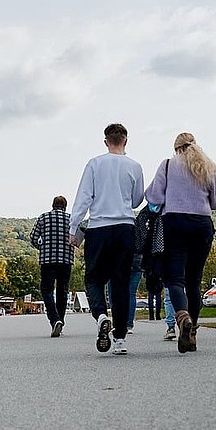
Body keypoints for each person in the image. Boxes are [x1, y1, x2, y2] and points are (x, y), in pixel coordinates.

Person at [144, 132, 216, 353]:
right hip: (201, 225)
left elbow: (154, 197)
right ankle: (192, 332)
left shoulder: (168, 165)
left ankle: (182, 319)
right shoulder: (209, 166)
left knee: (175, 279)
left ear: (176, 148)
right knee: (194, 281)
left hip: (174, 224)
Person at [69, 123, 145, 355]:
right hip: (124, 227)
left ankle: (101, 315)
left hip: (99, 227)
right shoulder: (135, 166)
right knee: (120, 283)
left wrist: (73, 227)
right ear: (126, 141)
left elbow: (84, 197)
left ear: (105, 141)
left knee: (94, 278)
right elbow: (137, 200)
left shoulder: (94, 164)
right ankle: (120, 339)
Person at [30, 195, 75, 337]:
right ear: (65, 206)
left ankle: (54, 320)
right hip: (66, 260)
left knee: (47, 290)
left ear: (53, 205)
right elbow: (77, 238)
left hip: (47, 260)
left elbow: (33, 237)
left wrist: (42, 247)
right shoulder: (71, 219)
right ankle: (60, 319)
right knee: (63, 292)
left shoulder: (43, 217)